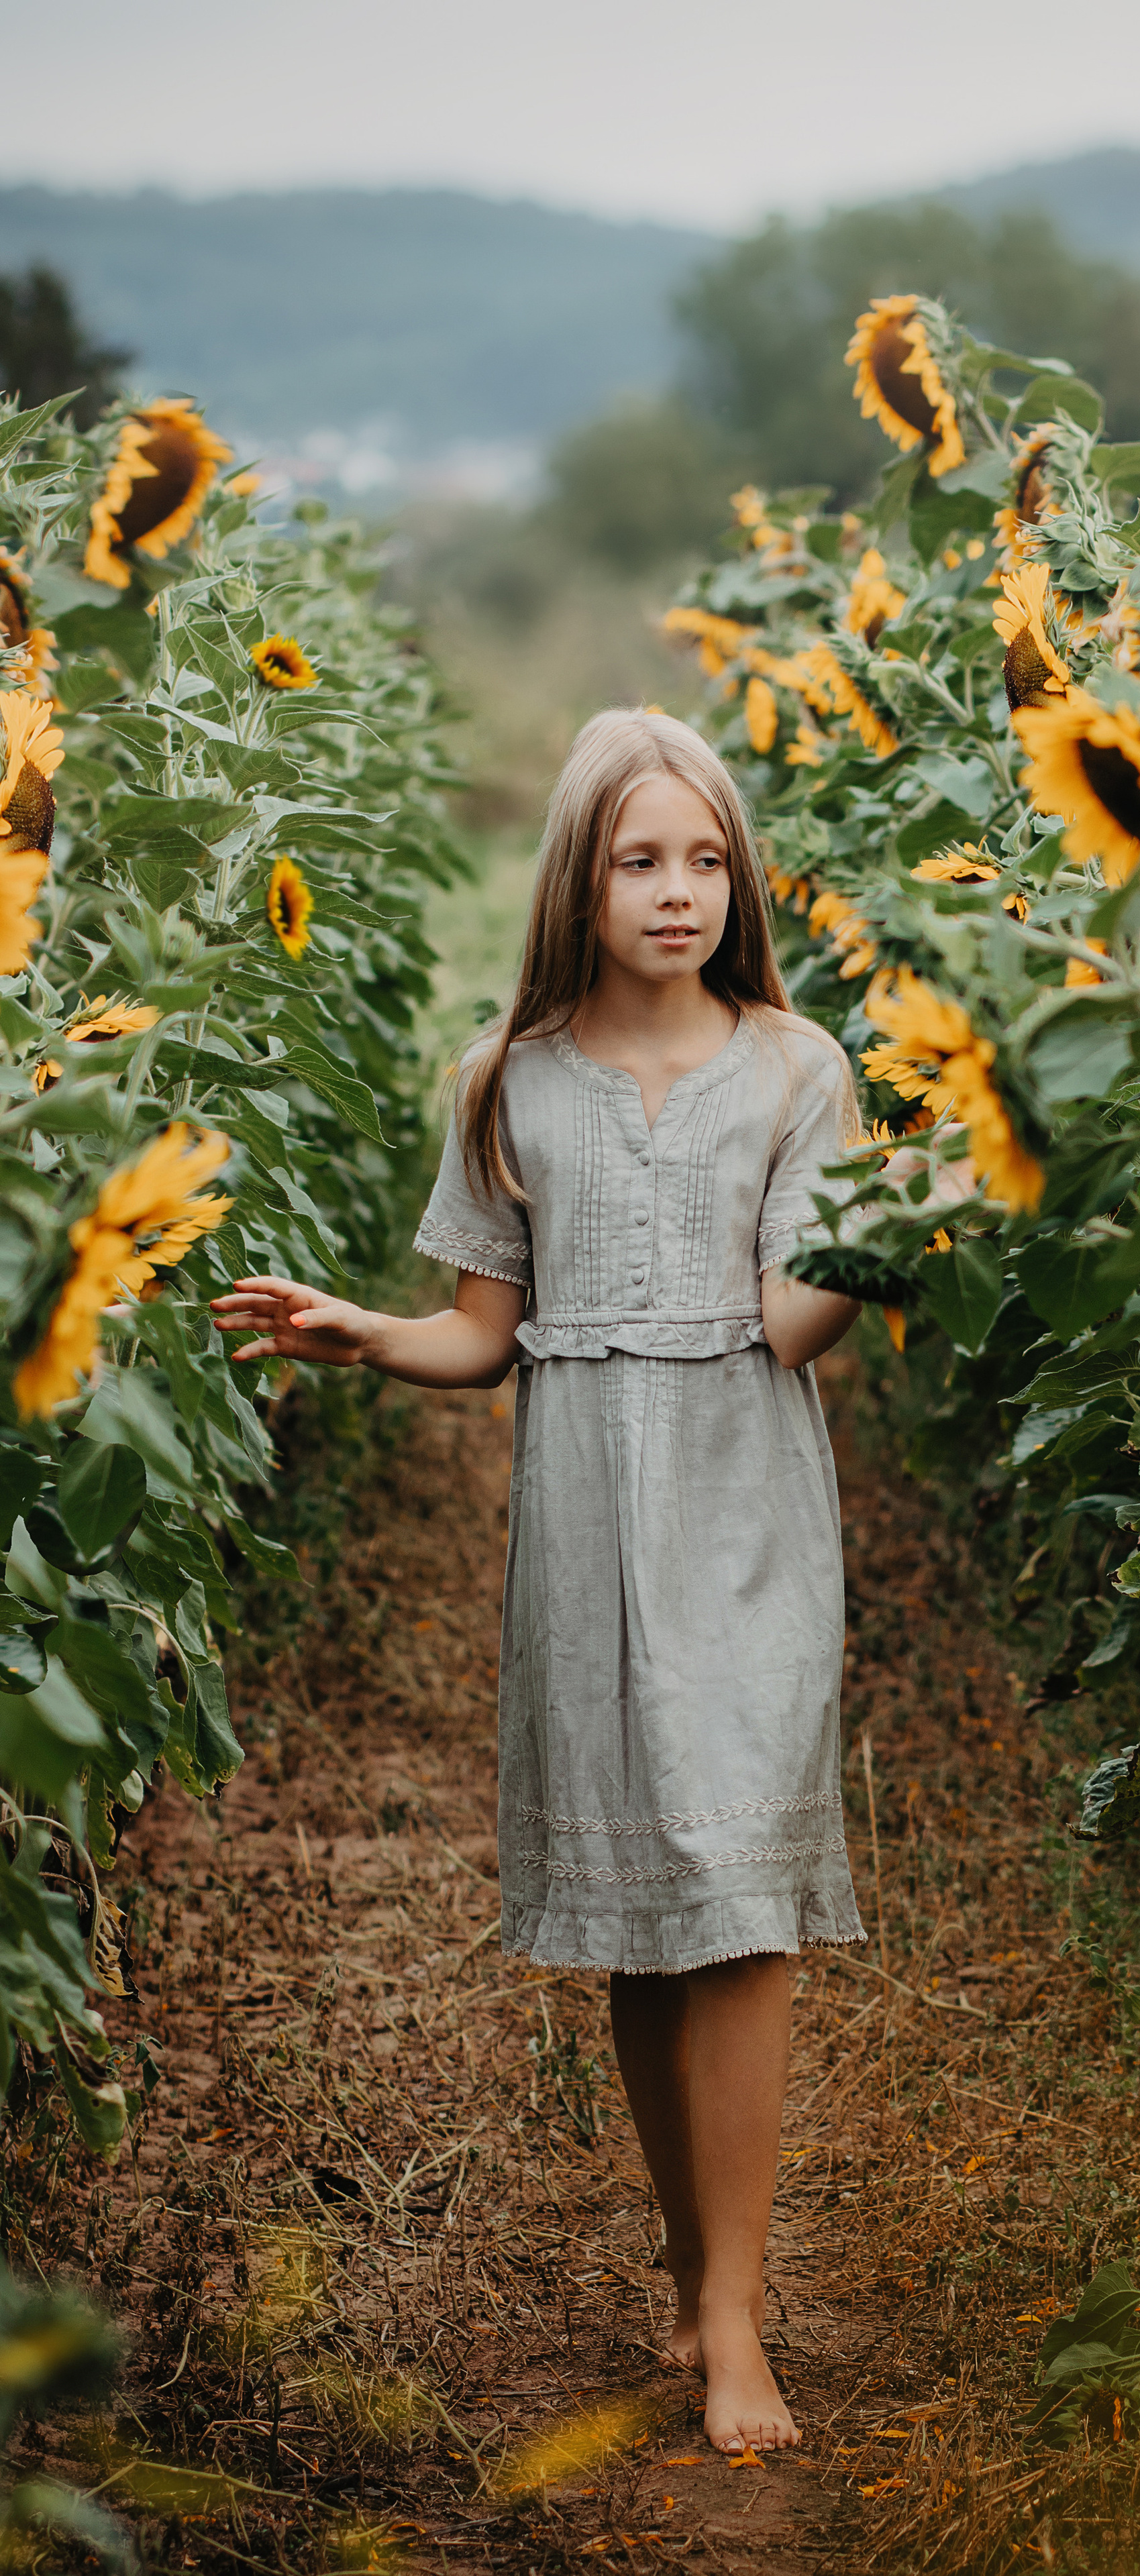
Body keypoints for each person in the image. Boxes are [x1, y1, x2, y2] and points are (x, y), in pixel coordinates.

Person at [213, 708, 866, 2456]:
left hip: (745, 1511)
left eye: (706, 859)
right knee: (652, 1937)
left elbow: (790, 1319)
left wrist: (900, 1232)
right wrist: (363, 1331)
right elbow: (488, 1336)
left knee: (740, 1910)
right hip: (589, 1530)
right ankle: (690, 2260)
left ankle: (735, 2318)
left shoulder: (802, 1071)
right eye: (640, 861)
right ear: (578, 882)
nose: (679, 894)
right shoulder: (515, 1081)